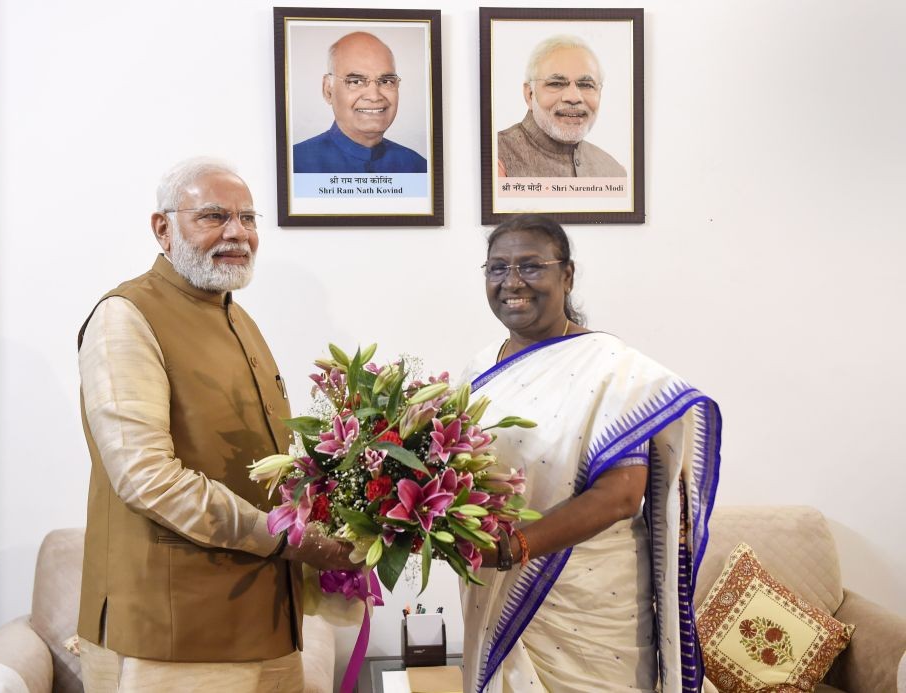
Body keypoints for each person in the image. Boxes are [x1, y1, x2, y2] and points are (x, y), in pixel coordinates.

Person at [75, 157, 356, 692]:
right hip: (177, 636)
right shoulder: (126, 317)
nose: (237, 233)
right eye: (213, 216)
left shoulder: (237, 317)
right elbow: (146, 478)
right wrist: (288, 540)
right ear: (163, 228)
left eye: (248, 218)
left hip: (270, 623)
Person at [460, 214, 721, 693]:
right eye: (497, 269)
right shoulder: (478, 368)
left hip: (589, 599)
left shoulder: (612, 370)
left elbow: (621, 496)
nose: (512, 282)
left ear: (567, 275)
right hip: (497, 590)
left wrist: (516, 548)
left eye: (530, 266)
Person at [293, 31, 427, 173]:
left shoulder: (418, 167)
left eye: (386, 81)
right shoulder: (295, 165)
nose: (374, 96)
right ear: (328, 90)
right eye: (356, 81)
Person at [497, 36, 627, 178]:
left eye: (586, 85)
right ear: (530, 94)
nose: (573, 97)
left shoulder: (614, 172)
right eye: (556, 83)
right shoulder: (496, 158)